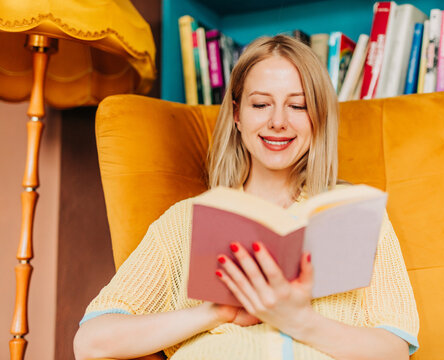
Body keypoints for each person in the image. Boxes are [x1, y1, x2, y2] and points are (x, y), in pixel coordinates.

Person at [73, 35, 419, 360]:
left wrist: (298, 320)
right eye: (261, 104)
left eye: (297, 106)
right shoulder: (184, 221)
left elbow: (394, 349)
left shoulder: (353, 217)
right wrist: (214, 312)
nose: (278, 122)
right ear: (237, 114)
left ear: (318, 119)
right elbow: (91, 341)